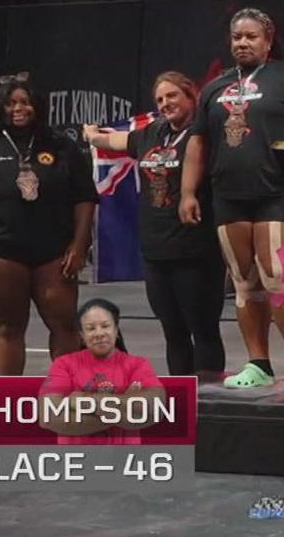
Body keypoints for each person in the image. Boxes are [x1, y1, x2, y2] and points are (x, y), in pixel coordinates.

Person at [180, 8, 284, 393]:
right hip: (228, 196)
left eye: (251, 36)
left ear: (268, 41)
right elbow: (198, 142)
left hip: (277, 191)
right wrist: (187, 192)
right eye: (237, 37)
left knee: (278, 277)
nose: (242, 43)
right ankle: (258, 364)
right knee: (245, 282)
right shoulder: (214, 88)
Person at [0, 74, 97, 375]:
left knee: (64, 324)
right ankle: (7, 399)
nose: (19, 109)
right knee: (9, 327)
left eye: (25, 102)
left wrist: (80, 245)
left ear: (38, 106)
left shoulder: (61, 146)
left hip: (55, 253)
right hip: (0, 251)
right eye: (11, 103)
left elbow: (85, 198)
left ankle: (67, 393)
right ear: (0, 107)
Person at [85, 72, 226, 379]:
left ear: (191, 95)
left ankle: (209, 396)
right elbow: (114, 140)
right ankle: (181, 393)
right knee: (172, 331)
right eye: (160, 99)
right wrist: (92, 135)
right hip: (156, 251)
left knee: (203, 328)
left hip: (196, 249)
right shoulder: (152, 133)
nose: (165, 103)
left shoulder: (205, 135)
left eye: (172, 96)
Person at [41, 298, 166, 444]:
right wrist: (126, 405)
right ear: (82, 336)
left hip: (125, 456)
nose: (99, 333)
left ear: (116, 330)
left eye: (105, 326)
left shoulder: (138, 365)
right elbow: (48, 416)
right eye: (91, 328)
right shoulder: (64, 365)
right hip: (76, 457)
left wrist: (87, 401)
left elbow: (154, 409)